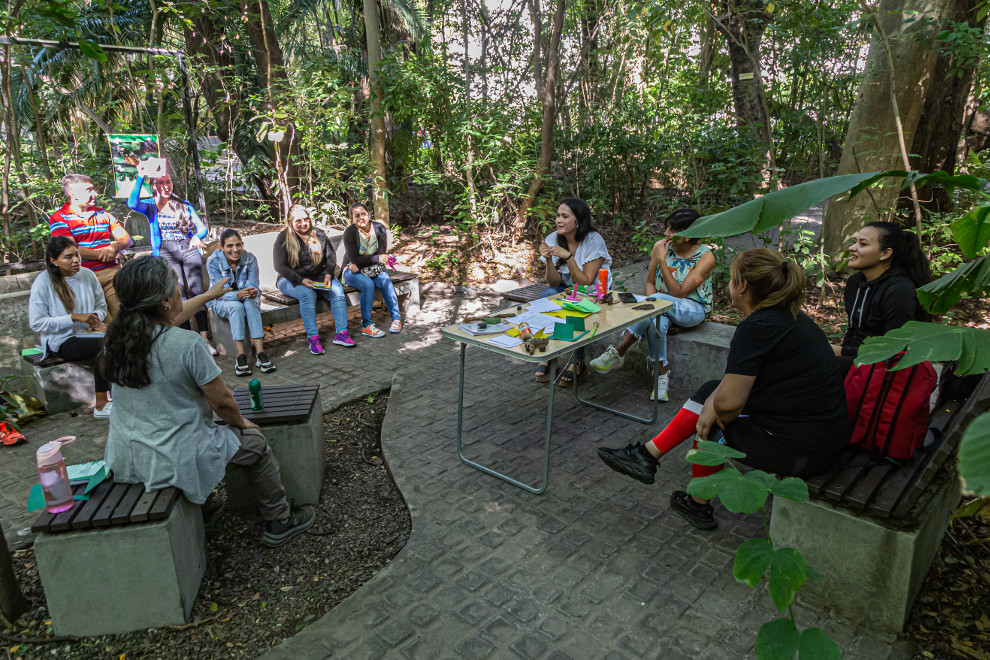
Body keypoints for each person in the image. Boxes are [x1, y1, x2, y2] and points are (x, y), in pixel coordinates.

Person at [597, 249, 849, 530]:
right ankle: (647, 455)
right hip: (821, 437)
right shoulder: (790, 318)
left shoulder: (757, 328)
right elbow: (734, 388)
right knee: (710, 391)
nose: (728, 285)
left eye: (731, 279)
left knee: (713, 424)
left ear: (742, 287)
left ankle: (697, 504)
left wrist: (711, 411)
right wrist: (713, 401)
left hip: (804, 451)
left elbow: (729, 405)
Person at [102, 256, 315, 547]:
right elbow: (223, 402)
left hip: (127, 455)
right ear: (164, 300)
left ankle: (206, 509)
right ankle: (280, 520)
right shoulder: (186, 344)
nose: (180, 290)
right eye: (176, 286)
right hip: (171, 455)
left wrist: (210, 295)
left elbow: (170, 318)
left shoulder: (117, 339)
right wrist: (243, 424)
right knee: (255, 446)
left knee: (197, 430)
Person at [589, 209, 714, 401]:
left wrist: (662, 262)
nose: (666, 234)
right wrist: (653, 307)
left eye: (671, 230)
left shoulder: (706, 257)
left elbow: (679, 293)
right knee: (657, 323)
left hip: (691, 309)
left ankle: (619, 351)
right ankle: (661, 379)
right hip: (661, 307)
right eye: (666, 228)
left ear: (687, 235)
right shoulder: (660, 246)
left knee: (656, 307)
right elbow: (649, 283)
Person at [128, 159, 212, 349]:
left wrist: (196, 237)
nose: (165, 186)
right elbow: (132, 203)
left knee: (197, 292)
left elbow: (201, 228)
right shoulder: (149, 206)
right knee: (177, 294)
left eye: (168, 182)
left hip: (188, 248)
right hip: (166, 251)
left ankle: (205, 339)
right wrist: (141, 176)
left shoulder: (183, 204)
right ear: (154, 186)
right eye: (160, 182)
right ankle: (186, 338)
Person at [28, 236, 111, 418]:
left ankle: (124, 393)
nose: (75, 260)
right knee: (105, 345)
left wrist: (95, 318)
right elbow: (37, 322)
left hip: (89, 334)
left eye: (77, 255)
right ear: (53, 260)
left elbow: (101, 305)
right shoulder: (43, 283)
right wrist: (72, 318)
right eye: (68, 257)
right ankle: (101, 404)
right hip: (61, 341)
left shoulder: (87, 274)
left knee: (124, 337)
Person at [835, 221, 933, 373]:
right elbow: (853, 330)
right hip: (855, 358)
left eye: (863, 244)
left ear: (885, 254)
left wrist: (839, 352)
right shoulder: (855, 282)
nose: (852, 248)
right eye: (855, 242)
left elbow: (893, 351)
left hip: (881, 368)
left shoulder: (899, 291)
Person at [534, 198, 613, 386]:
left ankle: (579, 361)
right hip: (568, 288)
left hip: (593, 292)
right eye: (558, 216)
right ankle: (549, 353)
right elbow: (554, 281)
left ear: (578, 220)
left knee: (575, 305)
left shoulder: (594, 241)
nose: (558, 220)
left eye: (565, 216)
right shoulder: (554, 238)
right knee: (546, 295)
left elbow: (585, 282)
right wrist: (548, 260)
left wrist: (568, 256)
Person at [49, 173, 133, 320]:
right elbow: (68, 249)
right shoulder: (59, 218)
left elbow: (126, 238)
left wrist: (113, 248)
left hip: (112, 274)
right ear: (73, 193)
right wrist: (105, 253)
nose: (95, 193)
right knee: (100, 322)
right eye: (89, 189)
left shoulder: (103, 213)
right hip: (82, 277)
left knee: (125, 318)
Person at [273, 205, 353, 353]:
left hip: (318, 276)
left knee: (337, 290)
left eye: (306, 219)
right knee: (307, 294)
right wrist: (301, 280)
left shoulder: (319, 234)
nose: (303, 223)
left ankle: (341, 333)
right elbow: (279, 266)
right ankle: (313, 338)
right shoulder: (283, 238)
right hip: (290, 279)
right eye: (298, 220)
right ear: (290, 222)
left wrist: (329, 273)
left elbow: (331, 257)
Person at [207, 228, 276, 376]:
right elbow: (219, 292)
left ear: (243, 244)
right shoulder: (213, 262)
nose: (235, 250)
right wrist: (237, 295)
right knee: (236, 307)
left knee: (252, 304)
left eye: (238, 245)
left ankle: (260, 354)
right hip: (221, 300)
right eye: (230, 246)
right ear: (222, 247)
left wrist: (253, 291)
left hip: (245, 299)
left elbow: (253, 283)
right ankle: (241, 356)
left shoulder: (250, 258)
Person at [342, 202, 402, 337]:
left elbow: (381, 253)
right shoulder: (350, 232)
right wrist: (376, 259)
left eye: (363, 213)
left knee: (385, 281)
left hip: (374, 269)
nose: (361, 217)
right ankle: (367, 326)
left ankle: (396, 319)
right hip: (352, 270)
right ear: (352, 219)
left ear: (368, 214)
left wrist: (376, 259)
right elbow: (356, 260)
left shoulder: (379, 228)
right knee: (368, 284)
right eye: (357, 216)